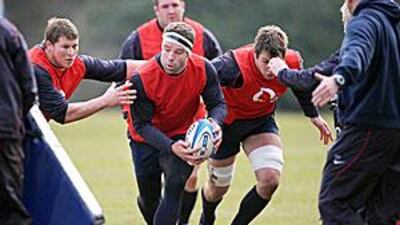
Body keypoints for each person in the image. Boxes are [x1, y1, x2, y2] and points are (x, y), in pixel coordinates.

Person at [199, 25, 332, 225]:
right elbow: (200, 76)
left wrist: (313, 115)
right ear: (255, 54)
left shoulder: (292, 61)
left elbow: (298, 84)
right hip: (226, 126)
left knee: (270, 180)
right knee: (217, 189)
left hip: (260, 123)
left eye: (276, 62)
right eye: (265, 62)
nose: (271, 68)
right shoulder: (232, 65)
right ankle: (207, 218)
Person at [119, 1, 223, 224]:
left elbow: (218, 103)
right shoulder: (142, 78)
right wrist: (168, 146)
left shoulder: (205, 68)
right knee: (149, 199)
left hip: (182, 134)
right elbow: (142, 125)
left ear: (189, 52)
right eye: (166, 50)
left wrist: (215, 123)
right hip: (145, 138)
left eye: (178, 52)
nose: (170, 57)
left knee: (175, 186)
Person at [310, 0, 400, 224]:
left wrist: (339, 79)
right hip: (395, 132)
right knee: (379, 213)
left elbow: (357, 52)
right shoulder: (393, 22)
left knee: (334, 202)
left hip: (369, 127)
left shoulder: (364, 22)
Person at [29, 17, 142, 124]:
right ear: (49, 45)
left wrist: (157, 64)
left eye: (74, 46)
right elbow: (63, 113)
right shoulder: (36, 69)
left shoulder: (76, 64)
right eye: (65, 47)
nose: (71, 53)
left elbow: (118, 68)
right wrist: (106, 100)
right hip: (15, 127)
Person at [0, 15, 37, 225]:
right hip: (6, 132)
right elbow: (28, 90)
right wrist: (15, 119)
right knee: (10, 205)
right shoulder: (9, 32)